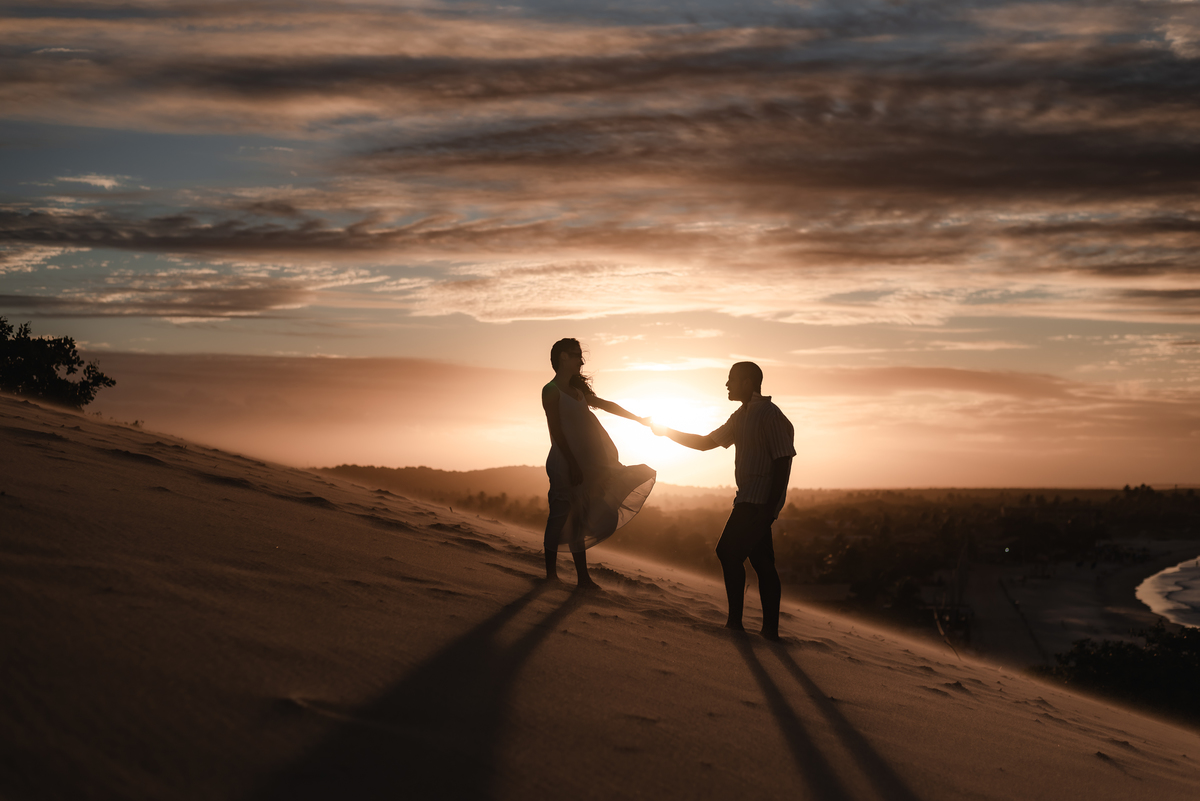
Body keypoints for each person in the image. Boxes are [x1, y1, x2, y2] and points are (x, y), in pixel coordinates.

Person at [652, 362, 794, 640]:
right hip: (749, 501)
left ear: (748, 382)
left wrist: (770, 510)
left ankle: (737, 625)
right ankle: (768, 632)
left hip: (756, 504)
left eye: (732, 379)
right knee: (762, 564)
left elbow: (783, 462)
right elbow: (705, 443)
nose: (727, 385)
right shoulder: (740, 416)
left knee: (728, 553)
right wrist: (666, 431)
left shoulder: (771, 416)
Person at [543, 338, 656, 588]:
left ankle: (583, 578)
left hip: (585, 465)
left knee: (579, 519)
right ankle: (550, 576)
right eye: (575, 355)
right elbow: (557, 431)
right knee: (560, 516)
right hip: (565, 463)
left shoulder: (577, 390)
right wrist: (572, 464)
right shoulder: (551, 390)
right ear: (562, 357)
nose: (581, 361)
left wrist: (638, 419)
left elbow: (607, 405)